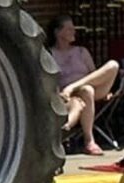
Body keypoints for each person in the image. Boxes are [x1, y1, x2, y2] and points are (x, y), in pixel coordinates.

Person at [46, 15, 119, 157]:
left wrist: (73, 86)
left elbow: (94, 74)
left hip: (87, 88)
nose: (74, 31)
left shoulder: (81, 51)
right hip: (67, 96)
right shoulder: (50, 54)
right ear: (57, 32)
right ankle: (89, 141)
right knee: (87, 90)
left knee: (113, 65)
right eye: (69, 29)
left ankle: (73, 86)